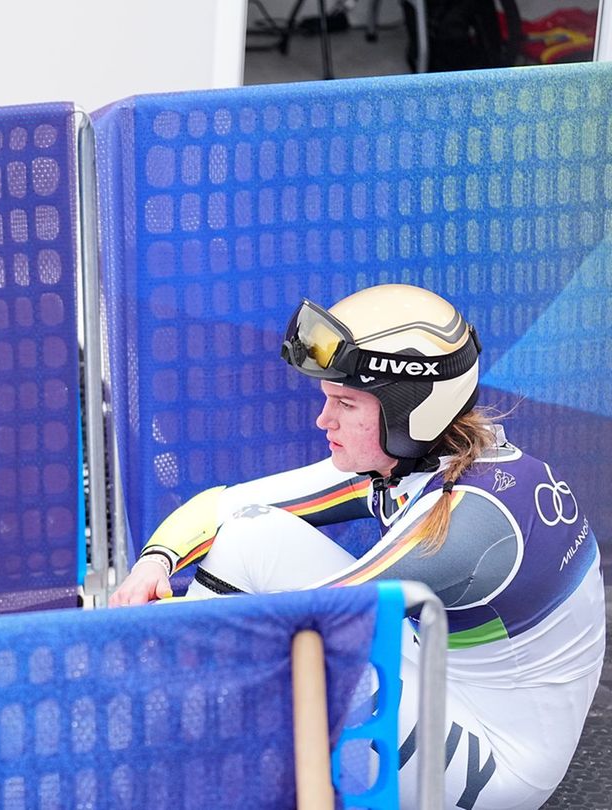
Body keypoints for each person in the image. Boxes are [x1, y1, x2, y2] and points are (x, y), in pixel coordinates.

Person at [110, 284, 605, 810]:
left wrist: (160, 636)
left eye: (345, 403)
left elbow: (303, 625)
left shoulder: (474, 524)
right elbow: (221, 509)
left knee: (297, 656)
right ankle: (176, 750)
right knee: (250, 535)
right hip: (451, 685)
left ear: (411, 410)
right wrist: (154, 562)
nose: (324, 420)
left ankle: (172, 763)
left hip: (499, 770)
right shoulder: (418, 460)